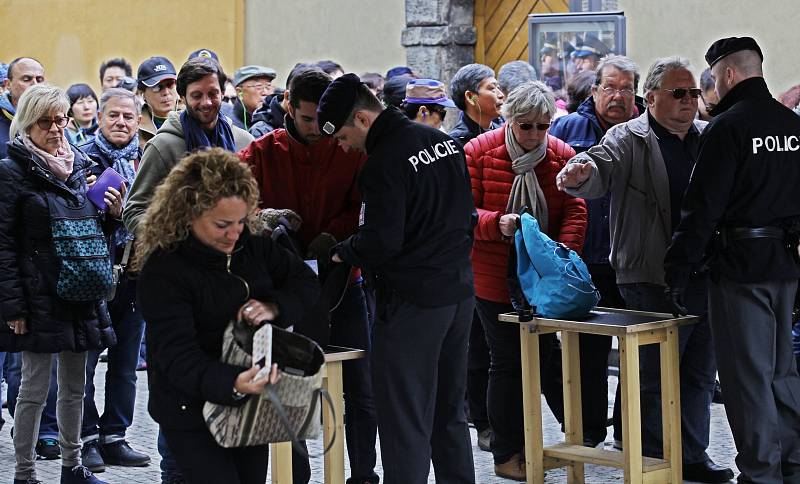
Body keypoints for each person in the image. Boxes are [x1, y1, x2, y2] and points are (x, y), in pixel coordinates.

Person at [557, 56, 734, 483]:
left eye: (693, 93)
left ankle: (691, 453)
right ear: (651, 98)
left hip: (706, 271)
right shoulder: (627, 137)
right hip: (649, 274)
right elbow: (596, 167)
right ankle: (654, 457)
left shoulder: (709, 136)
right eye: (679, 93)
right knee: (655, 374)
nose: (689, 101)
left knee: (697, 371)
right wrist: (579, 172)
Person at [318, 74, 476, 483]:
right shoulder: (443, 142)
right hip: (458, 294)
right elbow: (467, 216)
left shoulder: (382, 164)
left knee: (404, 421)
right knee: (449, 415)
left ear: (363, 119)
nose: (342, 145)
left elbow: (380, 242)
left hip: (412, 305)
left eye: (343, 135)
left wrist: (341, 250)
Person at [134, 148, 318, 484]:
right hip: (189, 409)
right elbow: (175, 356)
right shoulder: (164, 270)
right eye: (222, 225)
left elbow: (305, 282)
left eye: (240, 222)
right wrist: (231, 381)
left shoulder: (254, 247)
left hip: (249, 401)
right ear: (188, 213)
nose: (234, 234)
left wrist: (274, 306)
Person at [664, 37, 800, 483]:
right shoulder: (791, 124)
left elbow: (702, 208)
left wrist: (677, 269)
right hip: (786, 263)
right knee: (782, 372)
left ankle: (762, 473)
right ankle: (792, 464)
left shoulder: (727, 127)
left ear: (726, 74)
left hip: (739, 267)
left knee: (747, 379)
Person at [239, 67, 378, 484]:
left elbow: (363, 204)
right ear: (287, 105)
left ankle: (365, 475)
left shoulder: (347, 148)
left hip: (342, 281)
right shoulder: (262, 152)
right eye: (307, 119)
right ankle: (294, 476)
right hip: (280, 291)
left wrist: (333, 236)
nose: (318, 128)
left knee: (361, 387)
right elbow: (235, 204)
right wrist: (262, 219)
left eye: (324, 119)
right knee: (287, 389)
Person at [123, 57, 252, 483]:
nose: (207, 102)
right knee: (179, 393)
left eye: (213, 93)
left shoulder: (242, 139)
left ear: (224, 91)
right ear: (183, 98)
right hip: (180, 285)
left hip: (230, 289)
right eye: (196, 95)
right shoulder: (166, 146)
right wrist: (178, 239)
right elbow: (135, 210)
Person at [0, 83, 125, 484]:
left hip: (81, 291)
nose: (56, 129)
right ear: (26, 125)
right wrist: (14, 308)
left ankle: (73, 468)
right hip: (38, 298)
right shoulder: (11, 172)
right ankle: (25, 474)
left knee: (76, 388)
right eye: (45, 122)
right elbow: (3, 246)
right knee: (34, 389)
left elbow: (88, 230)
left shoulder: (80, 165)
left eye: (61, 119)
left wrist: (112, 215)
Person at [465, 80, 587, 480]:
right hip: (492, 276)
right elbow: (459, 214)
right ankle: (506, 454)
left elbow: (575, 209)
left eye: (542, 125)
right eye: (525, 126)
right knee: (507, 363)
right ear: (507, 120)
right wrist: (494, 224)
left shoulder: (560, 155)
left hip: (545, 279)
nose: (534, 134)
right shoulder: (479, 153)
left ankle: (566, 440)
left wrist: (562, 253)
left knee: (546, 357)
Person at [548, 54, 641, 449]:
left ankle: (628, 430)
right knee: (587, 352)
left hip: (632, 257)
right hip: (584, 259)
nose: (618, 96)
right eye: (610, 87)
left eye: (626, 89)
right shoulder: (568, 128)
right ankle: (587, 431)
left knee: (635, 351)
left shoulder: (643, 131)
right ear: (594, 90)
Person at [77, 88, 150, 473]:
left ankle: (115, 437)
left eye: (128, 117)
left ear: (138, 121)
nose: (121, 123)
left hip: (135, 275)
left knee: (124, 364)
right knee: (87, 366)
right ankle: (86, 439)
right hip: (94, 275)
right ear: (99, 119)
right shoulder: (80, 159)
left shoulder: (145, 160)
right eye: (114, 116)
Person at [449, 63, 504, 146]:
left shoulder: (504, 133)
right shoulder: (455, 144)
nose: (501, 95)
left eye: (498, 88)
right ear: (471, 97)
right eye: (492, 88)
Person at [0, 57, 45, 158]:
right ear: (8, 84)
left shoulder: (55, 119)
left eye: (39, 79)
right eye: (26, 79)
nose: (35, 85)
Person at [136, 56, 178, 148]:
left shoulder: (193, 117)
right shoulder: (134, 126)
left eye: (170, 84)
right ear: (142, 94)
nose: (166, 93)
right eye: (157, 87)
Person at [231, 65, 277, 131]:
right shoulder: (229, 124)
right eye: (258, 87)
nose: (265, 92)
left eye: (268, 86)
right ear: (239, 91)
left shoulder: (276, 121)